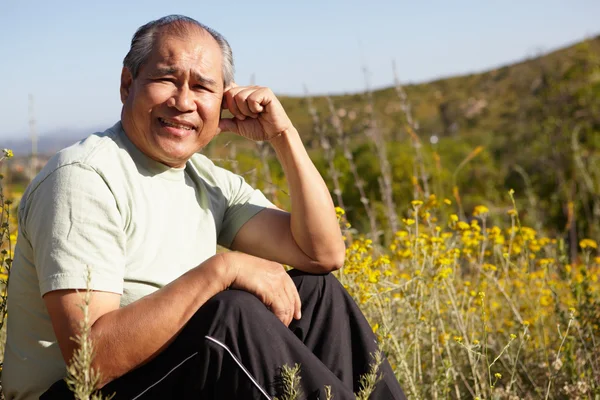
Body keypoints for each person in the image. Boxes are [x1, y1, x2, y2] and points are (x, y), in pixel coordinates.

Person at [2, 15, 406, 400]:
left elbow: (324, 254)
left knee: (316, 294)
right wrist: (224, 269)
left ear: (223, 101)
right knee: (231, 317)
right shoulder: (84, 177)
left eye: (202, 87)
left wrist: (283, 135)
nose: (183, 101)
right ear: (128, 85)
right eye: (166, 79)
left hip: (160, 375)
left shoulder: (203, 177)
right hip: (79, 393)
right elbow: (90, 363)